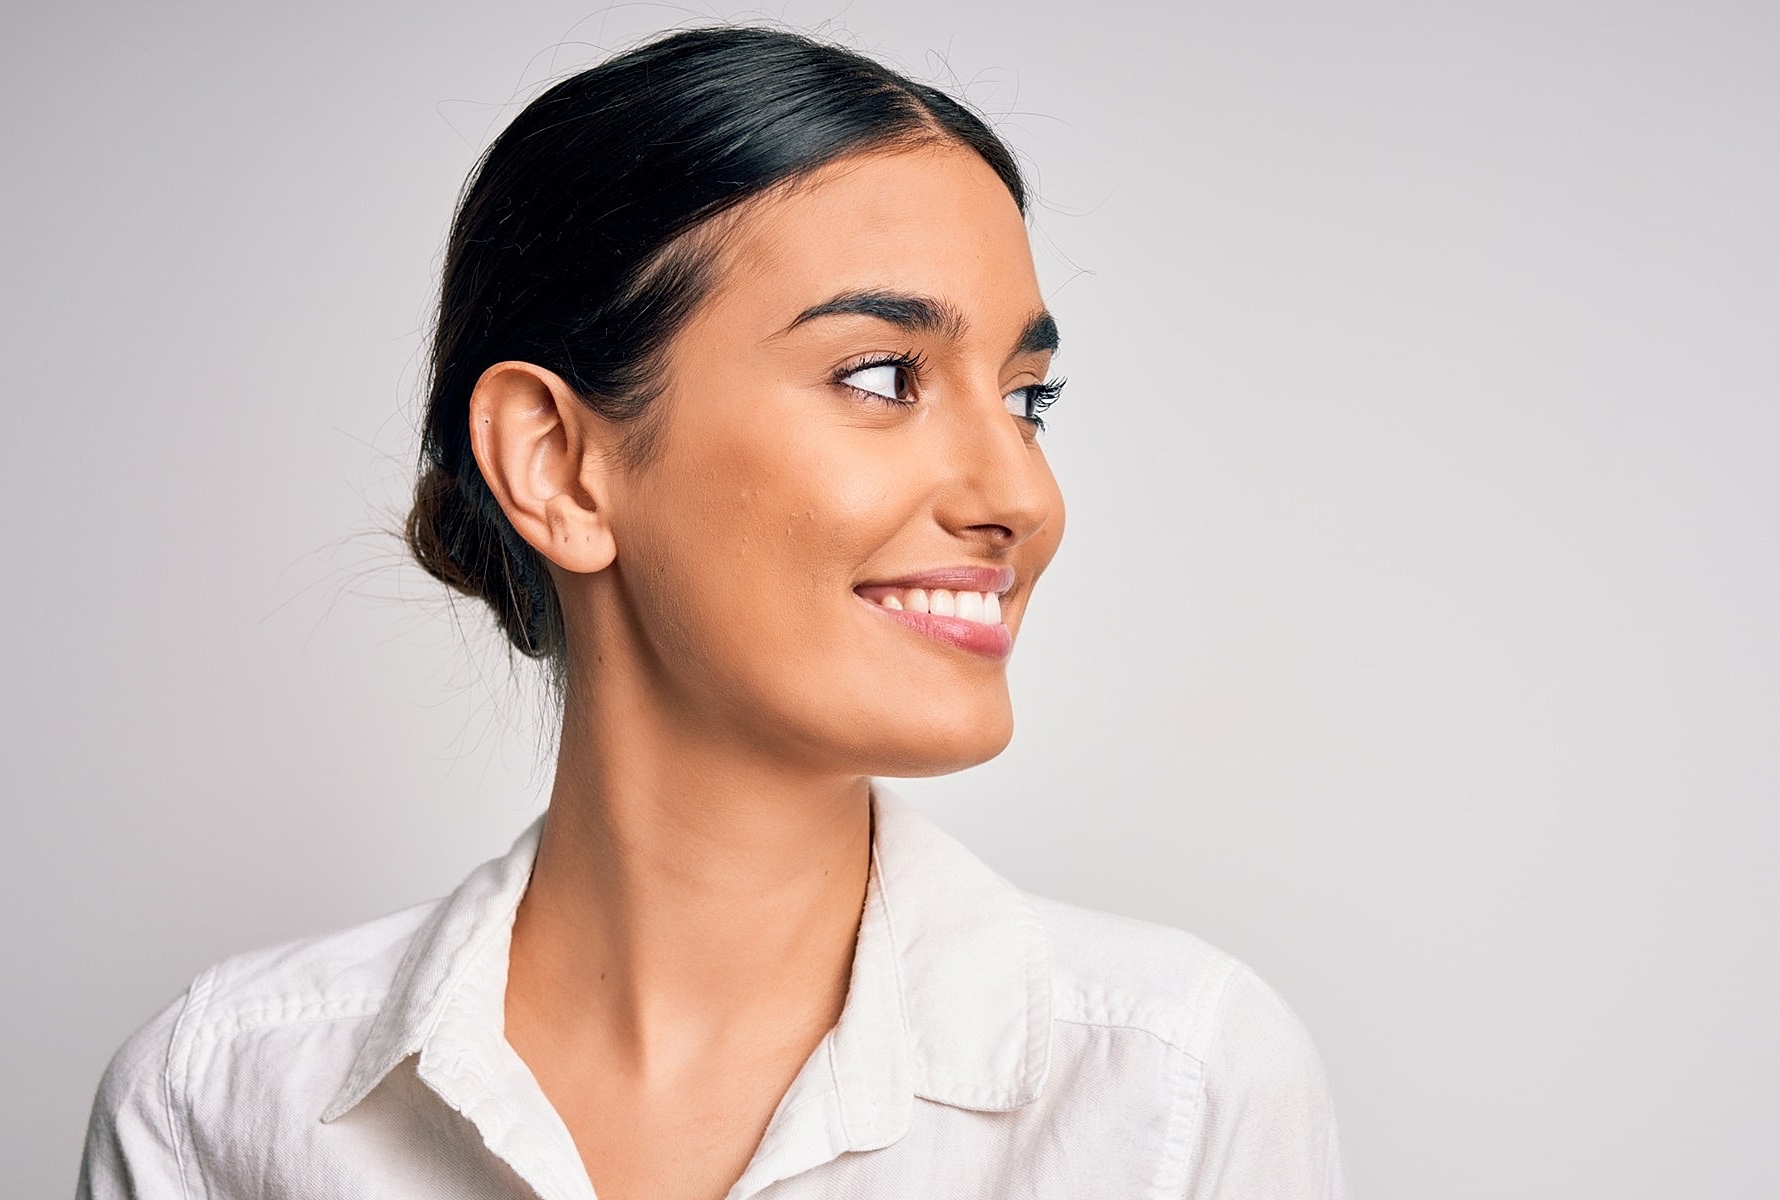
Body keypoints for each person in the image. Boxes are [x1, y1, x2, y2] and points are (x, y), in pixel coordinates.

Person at [76, 24, 1348, 1200]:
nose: (1021, 494)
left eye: (1028, 397)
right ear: (560, 465)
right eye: (881, 375)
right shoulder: (219, 1105)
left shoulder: (1171, 1090)